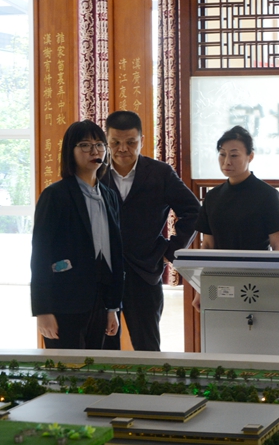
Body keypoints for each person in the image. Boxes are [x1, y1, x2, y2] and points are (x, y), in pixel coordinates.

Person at [100, 111, 200, 351]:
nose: (122, 149)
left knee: (147, 346)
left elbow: (194, 211)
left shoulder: (160, 173)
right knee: (103, 347)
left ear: (142, 140)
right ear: (106, 141)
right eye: (115, 142)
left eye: (130, 142)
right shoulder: (96, 174)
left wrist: (170, 250)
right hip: (102, 273)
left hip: (144, 272)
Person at [30, 120, 124, 349]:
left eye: (99, 144)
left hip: (102, 301)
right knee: (68, 369)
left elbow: (114, 253)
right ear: (70, 152)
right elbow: (40, 255)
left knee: (99, 368)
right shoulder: (55, 195)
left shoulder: (109, 196)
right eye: (85, 145)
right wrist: (42, 310)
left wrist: (113, 308)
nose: (94, 151)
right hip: (65, 302)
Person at [191, 125, 279, 312]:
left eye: (234, 155)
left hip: (257, 281)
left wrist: (277, 288)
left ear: (250, 156)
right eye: (222, 154)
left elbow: (277, 248)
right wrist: (200, 289)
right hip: (219, 281)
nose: (227, 161)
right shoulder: (213, 196)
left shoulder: (267, 195)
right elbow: (207, 246)